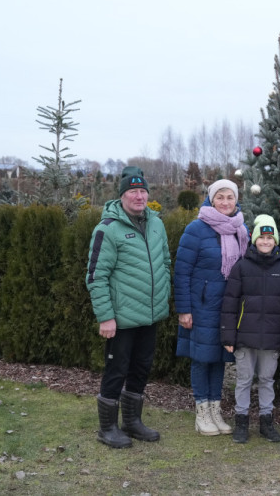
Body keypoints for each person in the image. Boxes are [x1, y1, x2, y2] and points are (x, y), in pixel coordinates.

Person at [86, 166, 171, 449]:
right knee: (116, 370)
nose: (139, 196)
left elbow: (165, 263)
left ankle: (132, 422)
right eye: (133, 191)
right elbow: (96, 276)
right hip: (121, 319)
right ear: (122, 195)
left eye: (143, 191)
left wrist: (163, 296)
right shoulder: (107, 229)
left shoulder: (156, 224)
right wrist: (106, 317)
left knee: (141, 368)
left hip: (150, 315)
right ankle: (107, 427)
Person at [175, 179, 249, 436]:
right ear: (211, 199)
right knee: (201, 359)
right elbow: (182, 272)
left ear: (236, 199)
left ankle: (216, 411)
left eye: (230, 197)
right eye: (220, 197)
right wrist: (184, 310)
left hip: (227, 307)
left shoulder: (241, 229)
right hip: (201, 305)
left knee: (219, 359)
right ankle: (202, 413)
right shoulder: (196, 229)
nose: (225, 202)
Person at [220, 215, 280, 444]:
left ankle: (267, 422)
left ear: (275, 241)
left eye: (269, 238)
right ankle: (241, 423)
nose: (265, 242)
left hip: (272, 339)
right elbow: (230, 303)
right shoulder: (241, 268)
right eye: (261, 238)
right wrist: (228, 334)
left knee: (266, 380)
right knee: (244, 380)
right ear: (254, 240)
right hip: (245, 338)